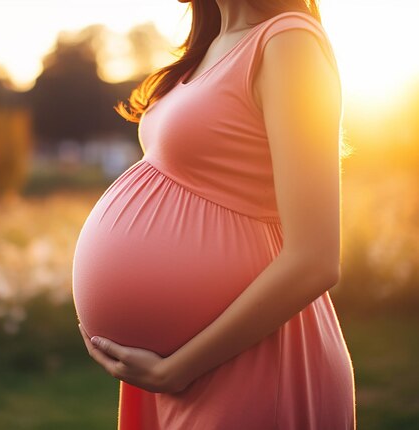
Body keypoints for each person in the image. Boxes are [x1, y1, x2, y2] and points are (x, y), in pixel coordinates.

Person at [71, 0, 356, 428]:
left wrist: (178, 368)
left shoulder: (288, 43)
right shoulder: (212, 43)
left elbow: (315, 259)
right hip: (173, 371)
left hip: (249, 361)